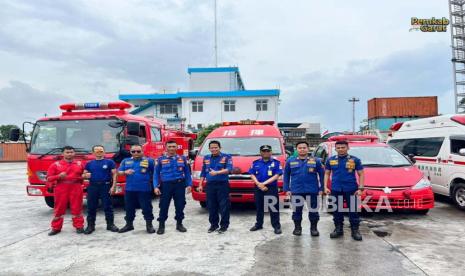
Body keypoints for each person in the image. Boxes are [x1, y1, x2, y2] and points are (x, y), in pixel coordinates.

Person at [324, 140, 365, 241]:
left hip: (351, 189)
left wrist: (360, 188)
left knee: (353, 211)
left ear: (348, 148)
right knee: (337, 210)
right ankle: (338, 229)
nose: (341, 149)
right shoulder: (330, 160)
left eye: (343, 147)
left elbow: (361, 174)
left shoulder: (355, 160)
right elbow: (327, 174)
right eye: (338, 148)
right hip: (336, 188)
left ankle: (355, 230)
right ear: (335, 149)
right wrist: (325, 187)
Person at [283, 141, 324, 236]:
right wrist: (287, 189)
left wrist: (321, 188)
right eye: (300, 148)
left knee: (313, 210)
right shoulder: (290, 161)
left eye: (304, 148)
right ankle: (297, 228)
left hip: (312, 190)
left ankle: (314, 229)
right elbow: (286, 175)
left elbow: (322, 175)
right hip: (296, 190)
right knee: (297, 211)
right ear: (296, 149)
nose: (302, 149)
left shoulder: (316, 160)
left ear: (308, 149)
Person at [153, 140, 192, 234]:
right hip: (166, 185)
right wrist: (155, 186)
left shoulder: (182, 158)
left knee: (180, 205)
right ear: (166, 148)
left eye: (173, 146)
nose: (171, 148)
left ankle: (179, 224)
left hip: (179, 185)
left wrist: (189, 184)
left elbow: (187, 173)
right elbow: (156, 174)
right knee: (163, 205)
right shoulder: (160, 159)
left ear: (176, 147)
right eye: (169, 146)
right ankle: (161, 225)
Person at [46, 146, 85, 235]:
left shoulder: (80, 164)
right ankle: (56, 227)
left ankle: (79, 226)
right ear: (62, 154)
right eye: (67, 152)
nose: (69, 154)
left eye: (71, 152)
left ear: (74, 153)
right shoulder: (55, 165)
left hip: (76, 186)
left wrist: (85, 176)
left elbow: (84, 175)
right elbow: (48, 178)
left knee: (77, 207)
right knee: (59, 208)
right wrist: (58, 176)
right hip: (61, 187)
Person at [118, 145, 156, 234]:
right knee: (129, 208)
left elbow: (155, 173)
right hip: (130, 189)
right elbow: (119, 172)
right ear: (130, 152)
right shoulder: (125, 161)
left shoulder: (149, 161)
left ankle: (149, 225)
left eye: (138, 151)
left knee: (146, 208)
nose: (136, 153)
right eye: (133, 151)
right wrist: (125, 172)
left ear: (142, 151)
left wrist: (155, 186)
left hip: (144, 189)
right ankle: (129, 225)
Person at [82, 145, 119, 234]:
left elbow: (115, 174)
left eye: (101, 150)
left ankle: (110, 225)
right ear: (93, 153)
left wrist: (113, 186)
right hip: (92, 186)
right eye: (97, 151)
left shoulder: (110, 162)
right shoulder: (89, 164)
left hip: (105, 186)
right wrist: (85, 175)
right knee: (91, 207)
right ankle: (90, 226)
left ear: (104, 152)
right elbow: (83, 175)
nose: (99, 152)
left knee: (108, 206)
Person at [198, 140, 233, 234]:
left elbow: (229, 169)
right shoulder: (206, 157)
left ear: (220, 148)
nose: (214, 149)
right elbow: (203, 172)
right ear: (209, 149)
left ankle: (224, 226)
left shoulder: (226, 156)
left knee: (223, 206)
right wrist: (200, 184)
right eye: (212, 148)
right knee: (211, 206)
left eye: (215, 147)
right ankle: (213, 225)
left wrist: (217, 172)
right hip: (210, 185)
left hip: (222, 185)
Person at [248, 145, 283, 234]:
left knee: (273, 208)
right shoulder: (255, 163)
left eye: (268, 151)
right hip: (258, 187)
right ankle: (259, 224)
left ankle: (276, 226)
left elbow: (277, 175)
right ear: (260, 152)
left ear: (271, 152)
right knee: (259, 207)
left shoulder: (276, 163)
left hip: (271, 188)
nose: (266, 153)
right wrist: (258, 184)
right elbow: (252, 174)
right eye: (264, 151)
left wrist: (263, 184)